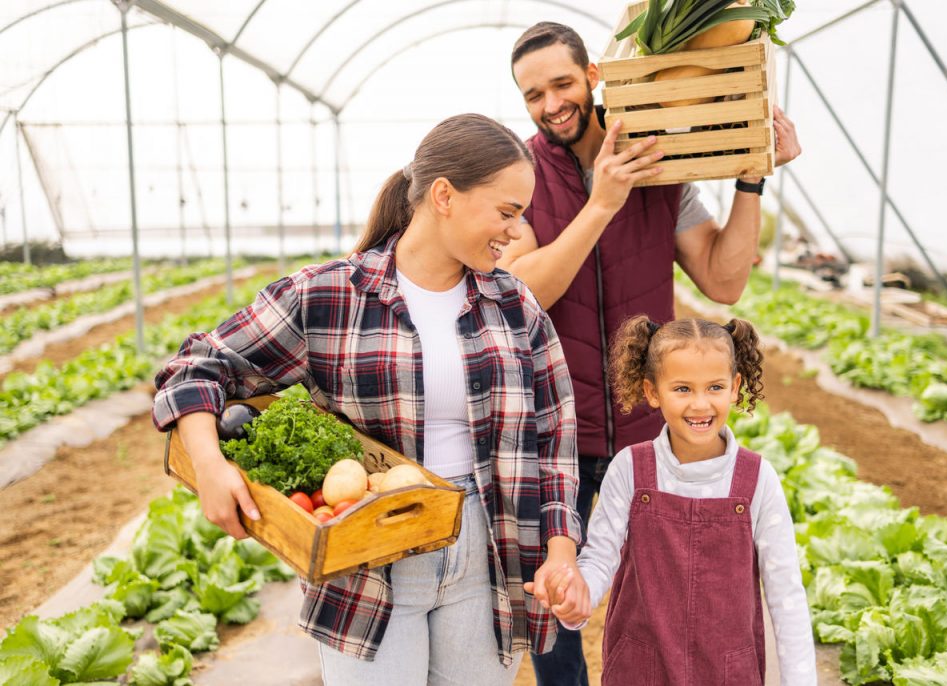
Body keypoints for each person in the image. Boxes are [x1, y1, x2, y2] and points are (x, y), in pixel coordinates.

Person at [151, 113, 588, 685]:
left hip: (487, 553)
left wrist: (560, 550)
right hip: (366, 557)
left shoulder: (514, 306)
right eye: (507, 212)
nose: (516, 230)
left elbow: (554, 438)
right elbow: (194, 367)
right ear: (444, 196)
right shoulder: (328, 294)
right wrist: (209, 466)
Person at [503, 22, 803, 684]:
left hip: (647, 438)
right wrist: (602, 204)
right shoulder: (519, 177)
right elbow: (522, 292)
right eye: (532, 95)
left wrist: (752, 183)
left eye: (561, 84)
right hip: (554, 439)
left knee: (660, 611)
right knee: (555, 615)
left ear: (594, 77)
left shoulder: (661, 166)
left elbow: (723, 279)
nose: (551, 104)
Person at [533, 315, 817, 685]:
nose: (700, 405)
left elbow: (786, 595)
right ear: (652, 392)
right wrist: (575, 600)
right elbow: (600, 558)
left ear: (735, 388)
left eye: (714, 387)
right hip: (639, 670)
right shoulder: (630, 469)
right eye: (682, 389)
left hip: (728, 674)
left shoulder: (757, 479)